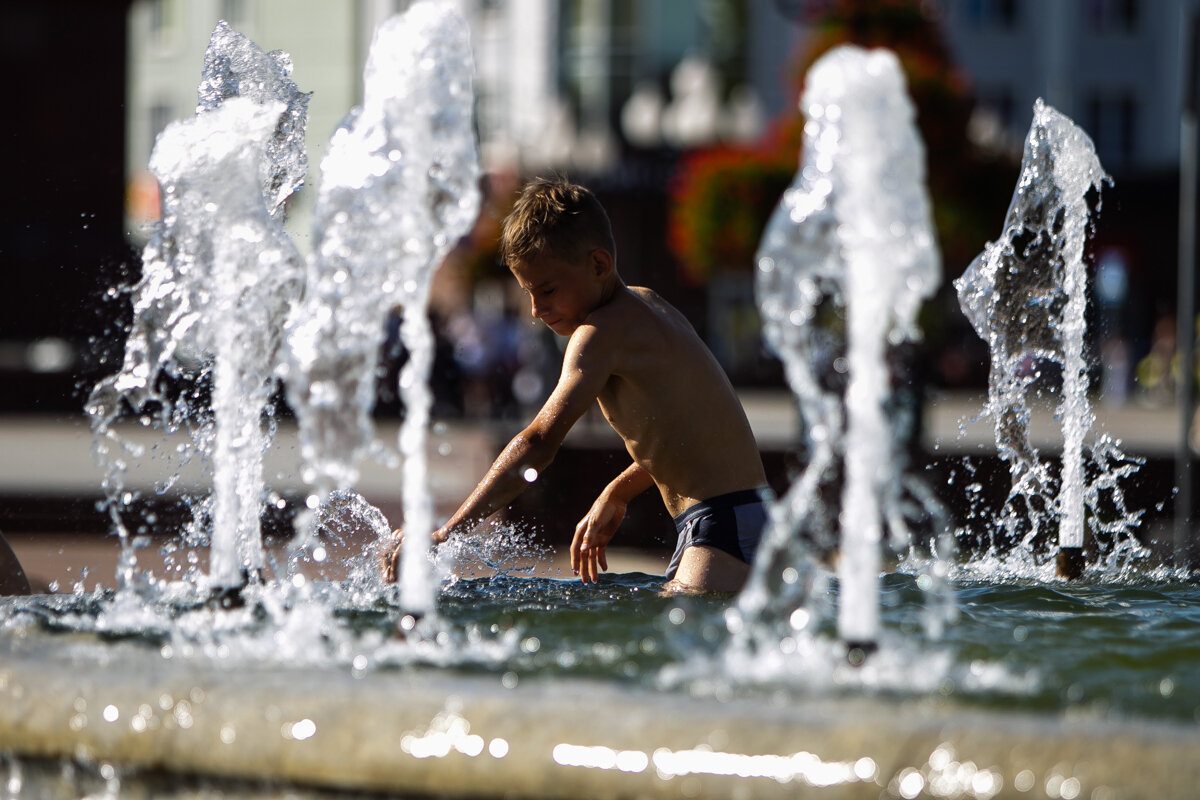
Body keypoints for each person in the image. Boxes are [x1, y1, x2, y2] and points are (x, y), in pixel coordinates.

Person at [384, 178, 769, 593]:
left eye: (547, 290)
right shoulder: (648, 305)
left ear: (599, 265)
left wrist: (446, 534)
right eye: (529, 293)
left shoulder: (598, 334)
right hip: (741, 516)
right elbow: (687, 430)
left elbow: (539, 442)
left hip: (720, 529)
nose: (536, 310)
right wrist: (617, 491)